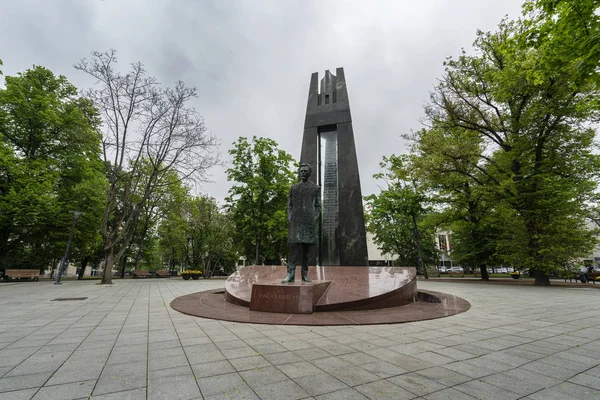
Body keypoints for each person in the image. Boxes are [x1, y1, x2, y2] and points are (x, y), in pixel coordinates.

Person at [283, 163, 321, 283]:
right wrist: (290, 217)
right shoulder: (293, 188)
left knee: (305, 251)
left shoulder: (315, 188)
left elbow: (318, 206)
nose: (303, 173)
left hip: (308, 223)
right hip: (296, 222)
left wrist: (314, 218)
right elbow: (289, 206)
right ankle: (290, 274)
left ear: (309, 173)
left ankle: (304, 274)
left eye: (305, 171)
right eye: (301, 171)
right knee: (293, 250)